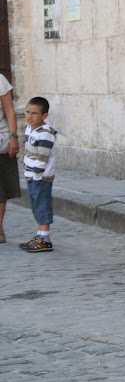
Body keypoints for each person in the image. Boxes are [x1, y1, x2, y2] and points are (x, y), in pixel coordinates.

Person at [18, 97, 57, 253]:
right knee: (35, 205)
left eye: (34, 113)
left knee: (42, 205)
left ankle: (45, 239)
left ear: (44, 116)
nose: (30, 116)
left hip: (41, 176)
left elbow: (43, 157)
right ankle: (39, 235)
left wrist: (37, 173)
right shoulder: (30, 128)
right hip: (30, 174)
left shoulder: (46, 133)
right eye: (27, 112)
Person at [0, 73, 20, 244]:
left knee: (0, 189)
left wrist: (13, 137)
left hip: (0, 140)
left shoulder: (0, 80)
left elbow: (9, 111)